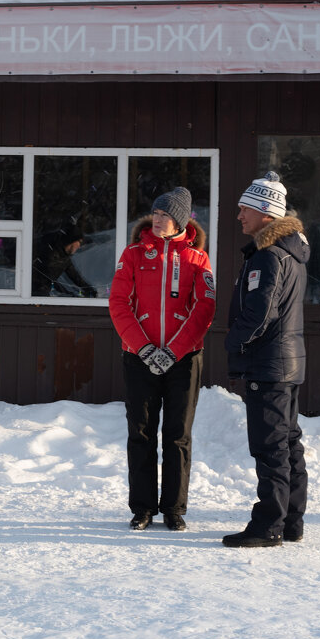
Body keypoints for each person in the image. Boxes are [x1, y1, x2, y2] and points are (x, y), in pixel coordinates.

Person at [109, 187, 216, 531]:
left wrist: (174, 350)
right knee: (140, 433)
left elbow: (205, 308)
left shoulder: (198, 257)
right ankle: (142, 508)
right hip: (139, 358)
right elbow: (119, 303)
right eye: (155, 213)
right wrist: (143, 348)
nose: (157, 220)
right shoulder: (134, 253)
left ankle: (174, 509)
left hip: (183, 360)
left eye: (165, 215)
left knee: (177, 434)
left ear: (181, 221)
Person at [222, 171, 310, 548]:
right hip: (287, 363)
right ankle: (291, 521)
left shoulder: (268, 256)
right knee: (288, 442)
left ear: (265, 214)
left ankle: (268, 525)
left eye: (245, 209)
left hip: (269, 365)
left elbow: (260, 314)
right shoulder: (291, 253)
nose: (239, 216)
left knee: (270, 445)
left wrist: (234, 343)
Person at [32, 223, 98, 298]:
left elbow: (75, 277)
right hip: (34, 292)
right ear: (72, 240)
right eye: (79, 242)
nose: (79, 246)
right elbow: (47, 278)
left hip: (45, 292)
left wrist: (90, 289)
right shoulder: (50, 253)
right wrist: (67, 292)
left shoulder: (65, 258)